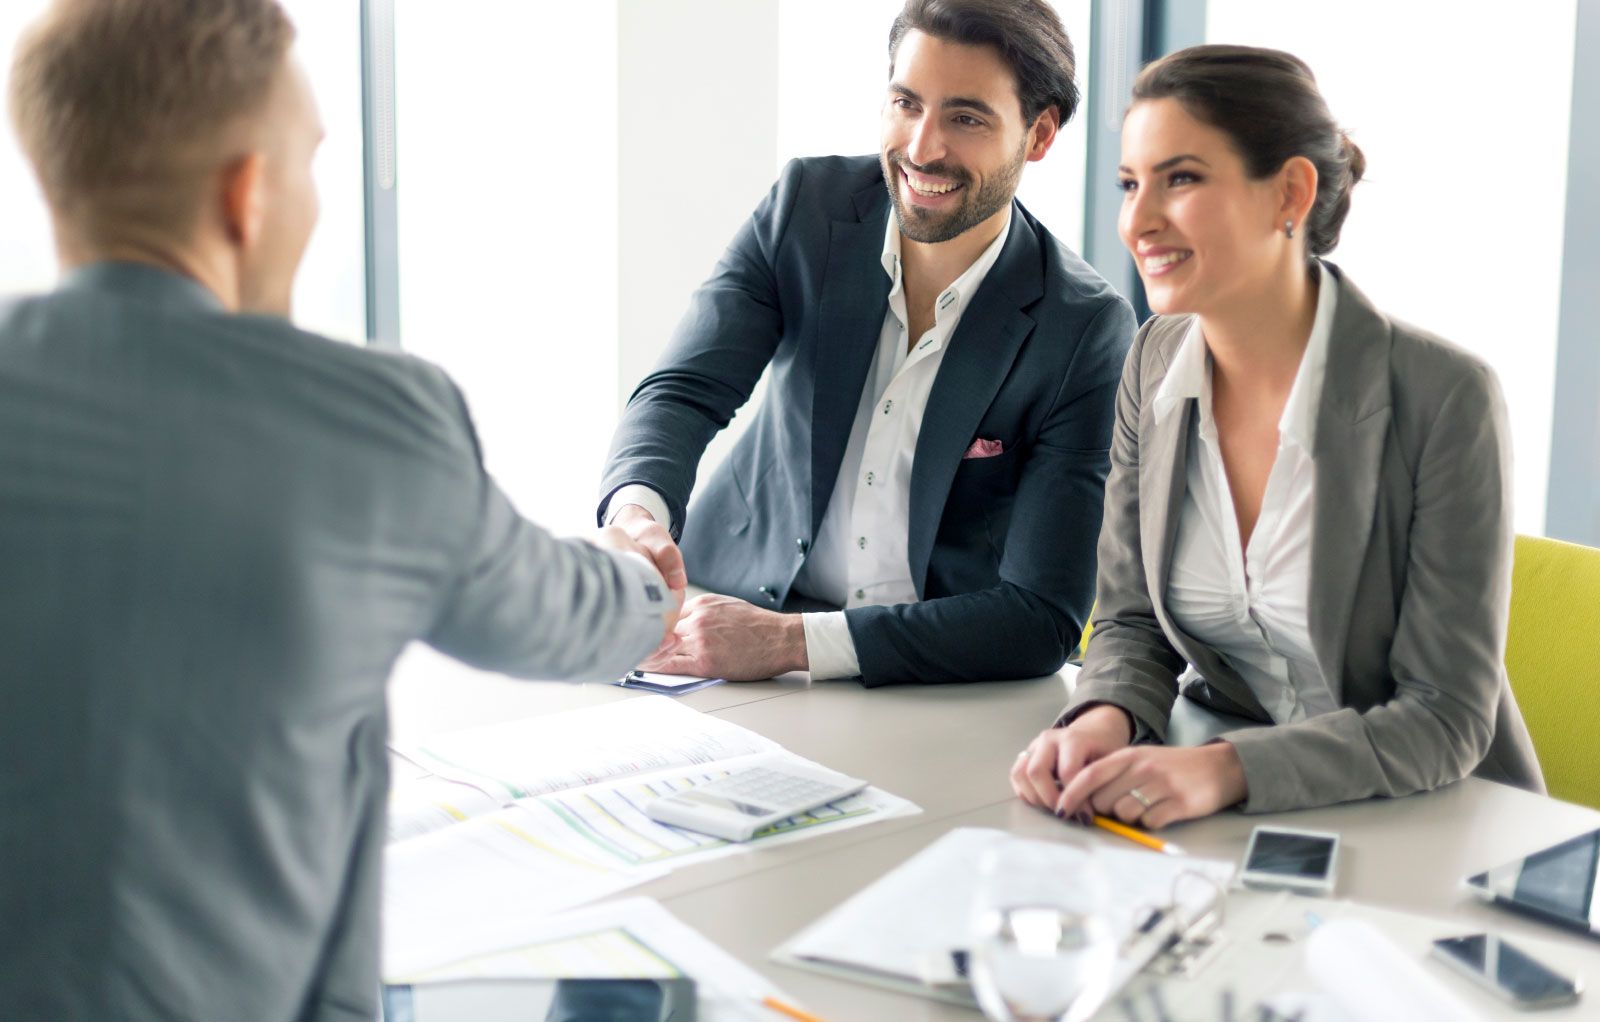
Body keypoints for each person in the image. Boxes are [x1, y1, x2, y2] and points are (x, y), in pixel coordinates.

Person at [0, 1, 680, 1017]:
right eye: (311, 161)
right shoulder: (370, 421)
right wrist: (642, 573)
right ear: (247, 196)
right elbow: (560, 617)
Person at [1011, 44, 1543, 827]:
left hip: (1427, 818)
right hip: (1234, 819)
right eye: (1130, 183)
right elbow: (1130, 620)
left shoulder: (1444, 397)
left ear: (1290, 192)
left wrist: (1225, 770)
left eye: (1180, 179)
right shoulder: (1153, 364)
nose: (1138, 220)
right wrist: (1104, 717)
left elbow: (1445, 716)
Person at [600, 0, 1135, 686]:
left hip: (921, 673)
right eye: (907, 104)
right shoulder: (806, 209)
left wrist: (793, 643)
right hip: (725, 608)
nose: (922, 148)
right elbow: (685, 389)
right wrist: (638, 513)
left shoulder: (1084, 328)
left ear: (1039, 135)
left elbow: (1042, 617)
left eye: (966, 118)